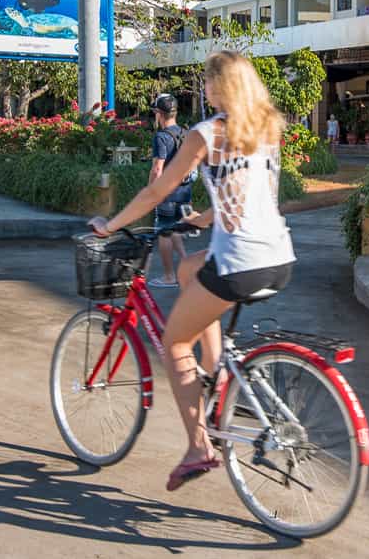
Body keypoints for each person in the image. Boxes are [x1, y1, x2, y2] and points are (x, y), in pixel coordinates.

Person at [92, 51, 295, 492]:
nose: (203, 89)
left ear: (220, 87)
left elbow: (155, 191)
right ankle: (216, 366)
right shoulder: (266, 129)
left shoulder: (206, 134)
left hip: (239, 262)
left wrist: (111, 224)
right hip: (279, 256)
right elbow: (250, 191)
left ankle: (198, 447)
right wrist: (202, 219)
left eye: (207, 81)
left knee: (172, 341)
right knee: (188, 269)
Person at [147, 93, 194, 287]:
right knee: (174, 229)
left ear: (159, 113)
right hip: (184, 192)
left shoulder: (161, 137)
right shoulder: (185, 132)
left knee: (164, 233)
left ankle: (169, 277)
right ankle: (188, 269)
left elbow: (158, 168)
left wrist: (151, 192)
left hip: (167, 193)